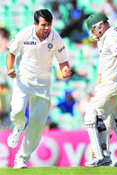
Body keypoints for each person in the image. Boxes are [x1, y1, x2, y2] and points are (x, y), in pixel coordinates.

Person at [6, 9, 71, 169]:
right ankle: (18, 126)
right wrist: (10, 68)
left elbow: (63, 60)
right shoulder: (24, 34)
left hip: (43, 83)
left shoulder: (56, 38)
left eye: (49, 24)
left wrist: (65, 69)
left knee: (38, 123)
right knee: (17, 111)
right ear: (35, 23)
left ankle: (21, 157)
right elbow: (11, 52)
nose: (47, 28)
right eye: (43, 24)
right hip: (24, 79)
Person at [84, 12, 117, 167]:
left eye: (93, 29)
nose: (92, 33)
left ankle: (101, 156)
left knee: (91, 116)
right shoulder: (107, 37)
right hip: (111, 84)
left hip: (112, 83)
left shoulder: (112, 37)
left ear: (100, 26)